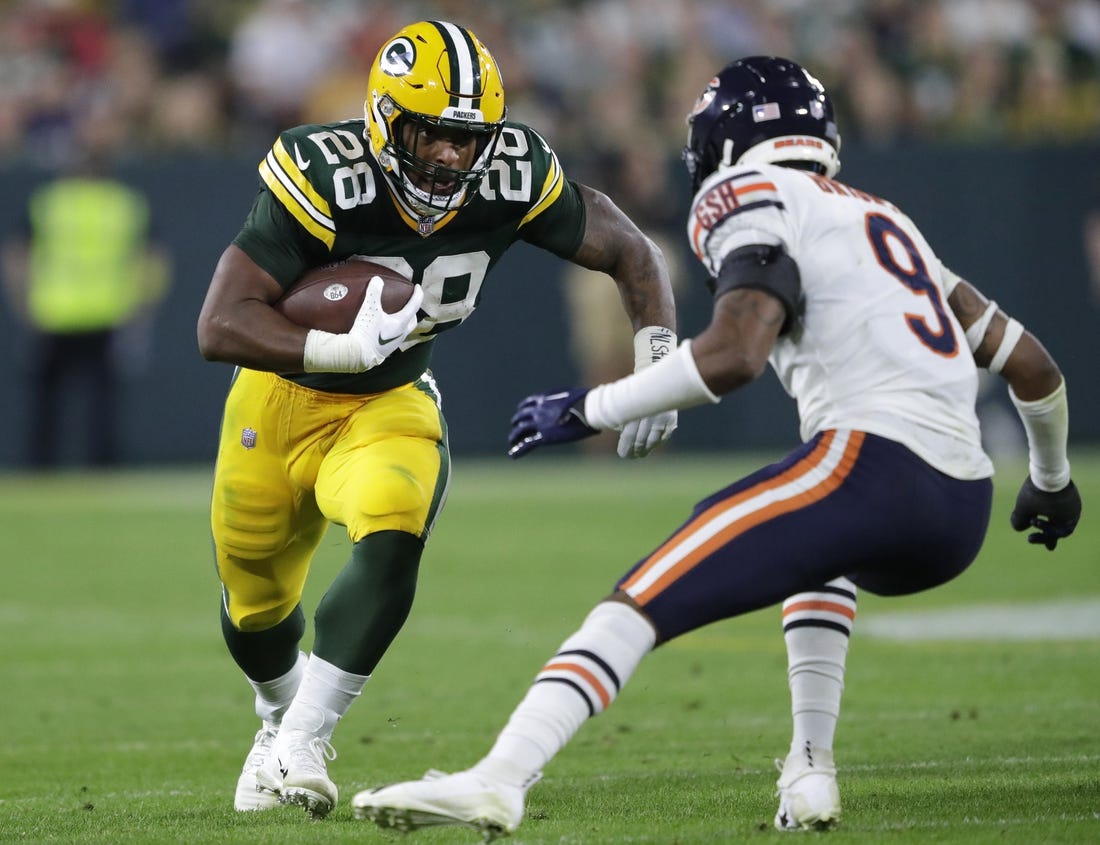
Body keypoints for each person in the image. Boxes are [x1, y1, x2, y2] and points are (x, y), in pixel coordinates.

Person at [350, 56, 1083, 838]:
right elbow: (1032, 364)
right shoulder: (885, 217)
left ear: (726, 137)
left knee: (641, 595)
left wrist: (590, 406)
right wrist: (1050, 478)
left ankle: (498, 779)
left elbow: (735, 353)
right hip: (963, 501)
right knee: (818, 548)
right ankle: (809, 769)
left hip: (873, 467)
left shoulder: (748, 193)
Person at [195, 20, 677, 820]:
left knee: (394, 530)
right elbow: (219, 323)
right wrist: (329, 346)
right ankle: (276, 716)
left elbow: (629, 249)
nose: (452, 157)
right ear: (386, 120)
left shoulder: (513, 173)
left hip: (390, 400)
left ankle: (305, 739)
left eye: (467, 139)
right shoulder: (325, 170)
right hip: (277, 400)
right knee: (254, 612)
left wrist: (658, 353)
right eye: (432, 135)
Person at [1, 122, 169, 468]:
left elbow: (16, 257)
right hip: (107, 312)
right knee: (102, 405)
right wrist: (140, 313)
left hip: (53, 311)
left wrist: (22, 305)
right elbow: (153, 262)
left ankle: (40, 471)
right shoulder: (125, 203)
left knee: (46, 405)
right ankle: (101, 473)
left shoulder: (49, 201)